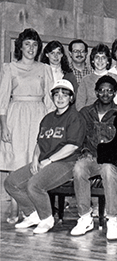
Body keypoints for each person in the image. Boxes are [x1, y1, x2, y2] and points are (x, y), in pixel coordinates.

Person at [4, 79, 85, 234]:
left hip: (66, 162)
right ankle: (32, 214)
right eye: (56, 94)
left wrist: (49, 160)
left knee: (34, 185)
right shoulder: (48, 118)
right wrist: (35, 159)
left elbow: (72, 146)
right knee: (11, 182)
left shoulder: (75, 117)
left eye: (65, 94)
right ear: (52, 97)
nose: (60, 98)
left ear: (71, 98)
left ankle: (47, 219)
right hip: (44, 161)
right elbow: (39, 142)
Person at [0, 28, 54, 224]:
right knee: (16, 162)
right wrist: (4, 126)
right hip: (16, 116)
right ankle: (16, 209)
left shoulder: (45, 69)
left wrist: (49, 126)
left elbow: (50, 99)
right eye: (27, 44)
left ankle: (32, 210)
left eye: (34, 44)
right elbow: (3, 100)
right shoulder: (10, 68)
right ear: (20, 47)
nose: (31, 48)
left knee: (34, 161)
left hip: (39, 115)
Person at [70, 75, 117, 239]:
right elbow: (78, 137)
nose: (105, 94)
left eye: (109, 90)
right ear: (96, 92)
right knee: (79, 168)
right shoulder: (85, 112)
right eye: (102, 90)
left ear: (115, 93)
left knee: (108, 170)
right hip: (91, 157)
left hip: (111, 160)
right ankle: (85, 217)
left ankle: (113, 219)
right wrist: (84, 151)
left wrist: (116, 156)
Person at [75, 43, 117, 110]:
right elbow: (80, 104)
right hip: (89, 116)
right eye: (97, 57)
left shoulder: (116, 78)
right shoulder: (85, 80)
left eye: (103, 57)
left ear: (108, 61)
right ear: (93, 60)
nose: (100, 60)